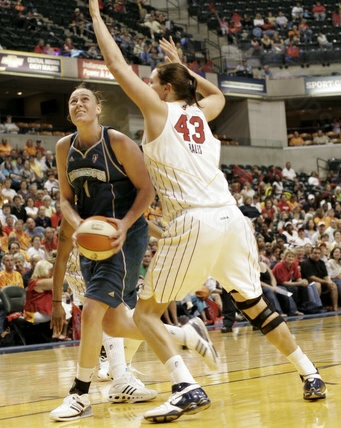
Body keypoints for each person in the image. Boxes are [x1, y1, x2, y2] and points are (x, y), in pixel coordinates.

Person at [88, 0, 327, 422]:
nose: (151, 85)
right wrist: (182, 64)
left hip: (194, 222)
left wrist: (98, 18)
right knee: (256, 307)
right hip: (233, 220)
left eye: (157, 80)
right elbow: (216, 93)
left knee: (146, 314)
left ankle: (186, 386)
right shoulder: (201, 111)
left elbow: (118, 66)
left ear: (162, 90)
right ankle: (310, 373)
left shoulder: (160, 111)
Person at [50, 85, 217, 421]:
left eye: (84, 99)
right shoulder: (63, 148)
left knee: (94, 308)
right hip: (92, 239)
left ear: (98, 108)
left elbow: (147, 190)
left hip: (125, 237)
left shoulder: (118, 143)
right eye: (72, 101)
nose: (77, 104)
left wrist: (125, 224)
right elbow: (65, 200)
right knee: (113, 321)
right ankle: (184, 334)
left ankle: (80, 393)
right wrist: (78, 223)